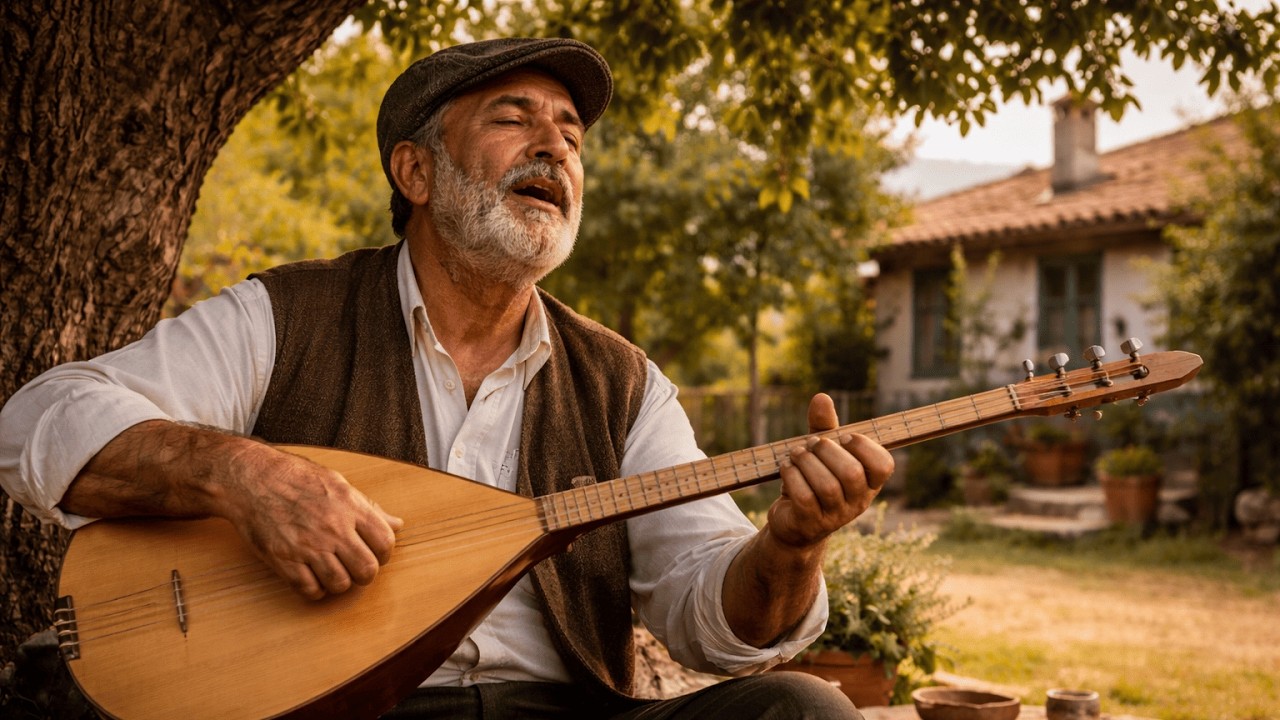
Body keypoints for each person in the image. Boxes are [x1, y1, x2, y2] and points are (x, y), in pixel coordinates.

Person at [0, 38, 893, 718]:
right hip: (330, 709)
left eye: (572, 135)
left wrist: (789, 549)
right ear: (414, 170)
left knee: (801, 709)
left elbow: (708, 616)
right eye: (515, 118)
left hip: (560, 710)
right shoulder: (287, 316)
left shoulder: (621, 383)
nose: (556, 145)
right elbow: (39, 419)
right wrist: (241, 474)